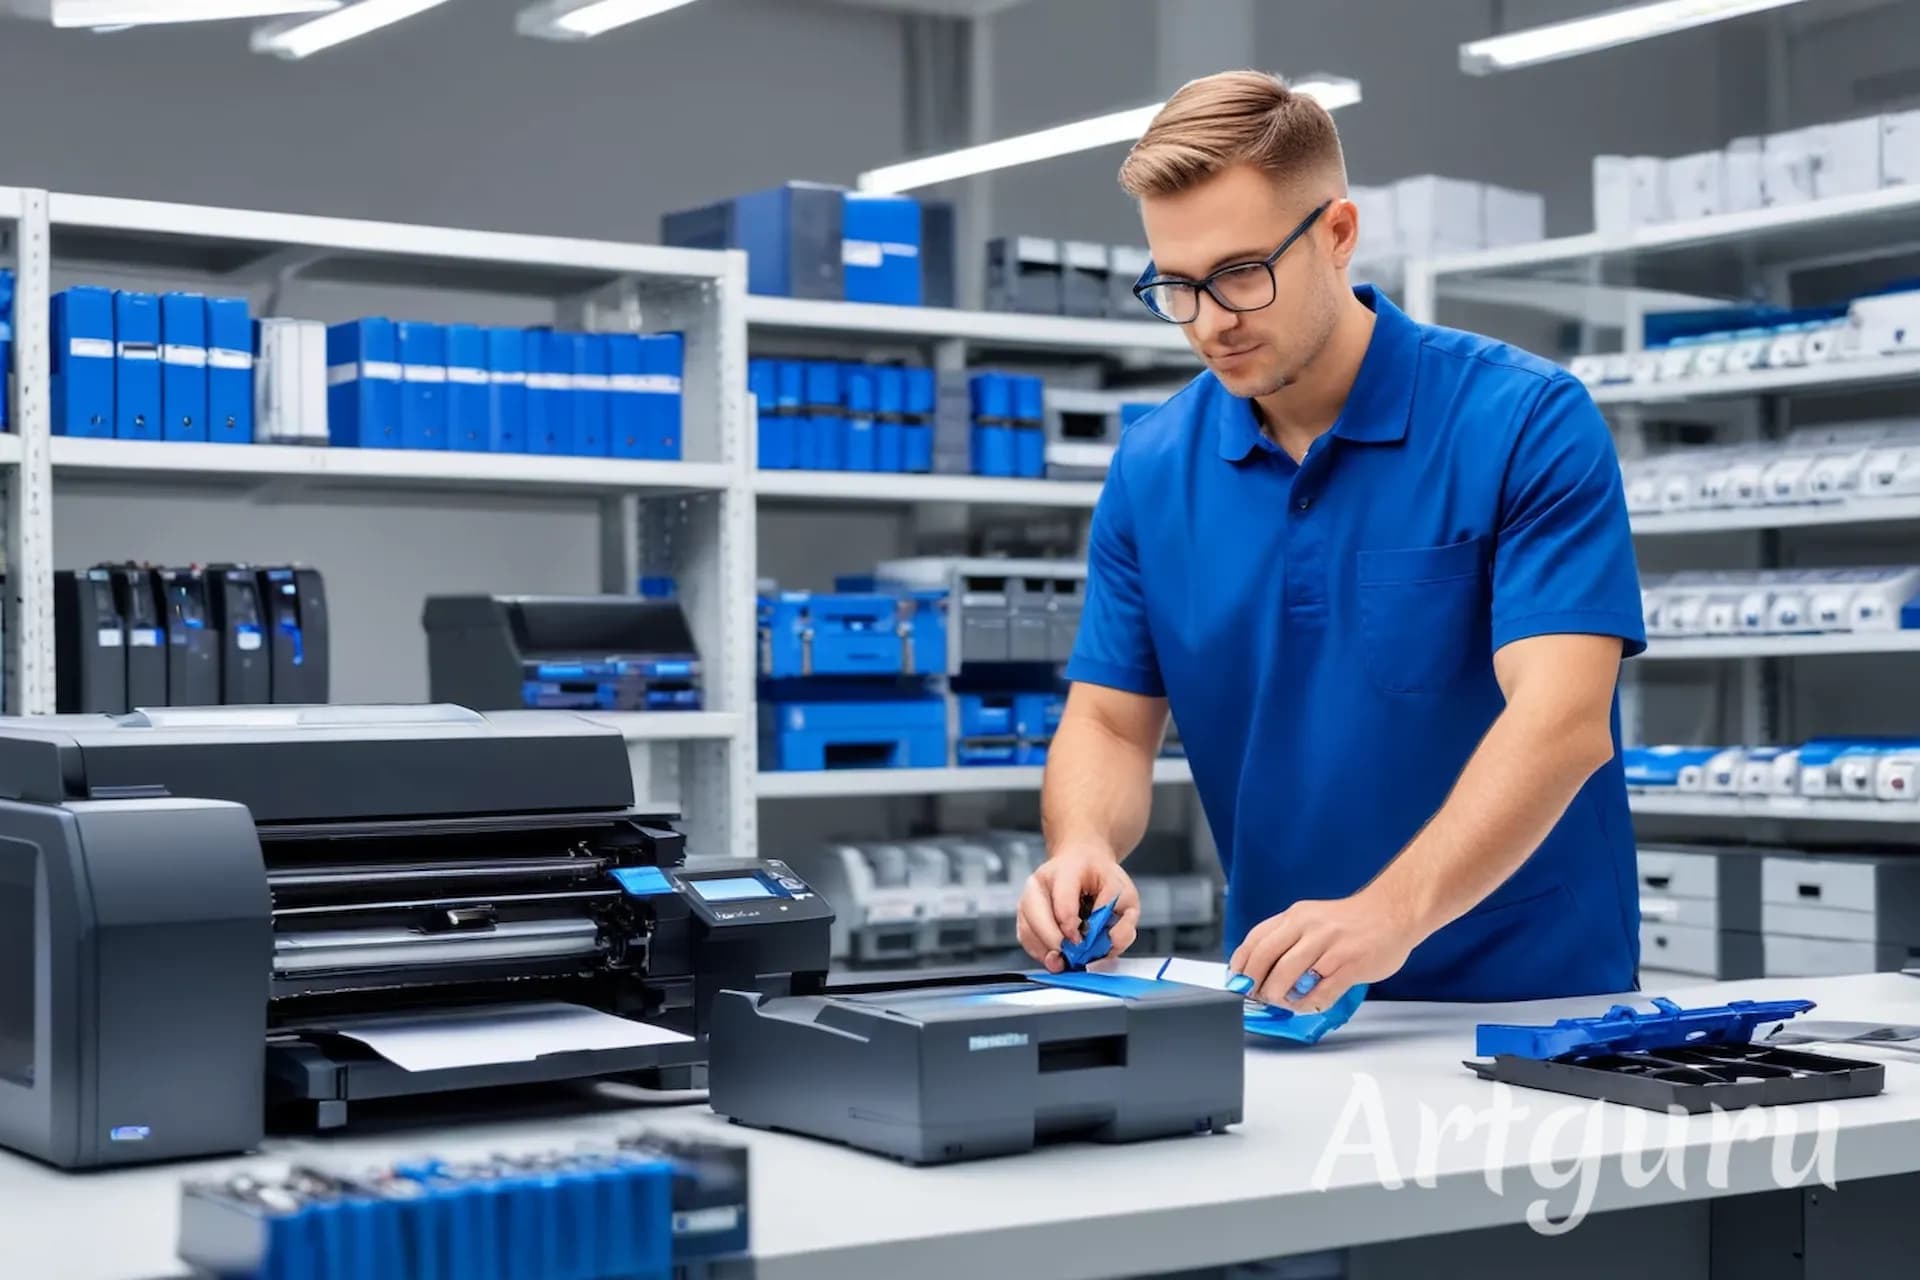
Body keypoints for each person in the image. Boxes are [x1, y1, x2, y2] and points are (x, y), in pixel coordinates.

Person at [1016, 69, 1646, 1010]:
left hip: (1531, 1000)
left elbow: (1560, 723)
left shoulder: (1522, 420)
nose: (1211, 322)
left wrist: (1391, 912)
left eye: (1239, 273)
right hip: (1286, 996)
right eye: (1176, 287)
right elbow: (1109, 720)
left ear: (1339, 235)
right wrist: (1083, 846)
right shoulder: (1154, 467)